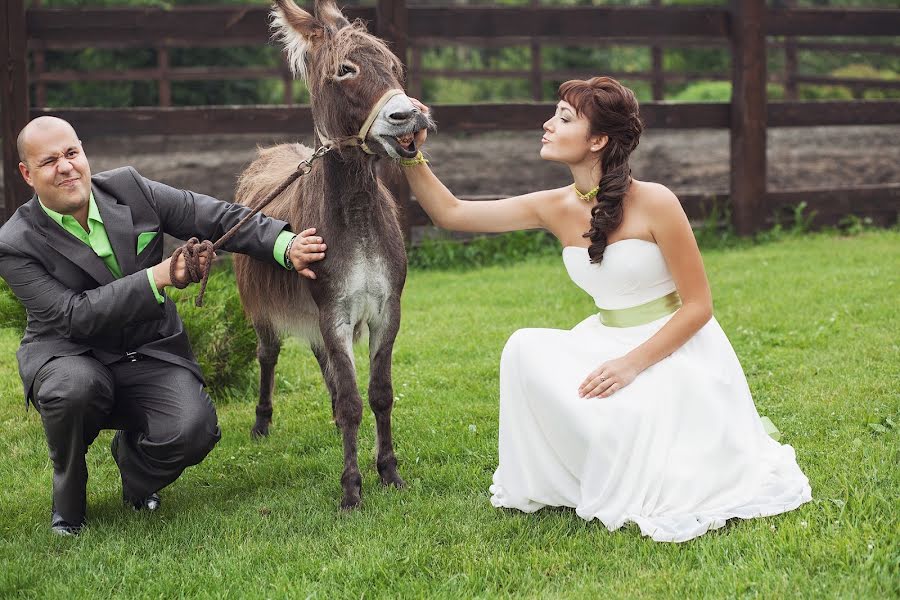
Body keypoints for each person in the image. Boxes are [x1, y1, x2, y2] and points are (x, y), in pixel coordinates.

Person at [400, 77, 812, 542]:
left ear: (598, 140)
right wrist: (411, 152)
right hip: (603, 338)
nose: (548, 124)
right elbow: (451, 213)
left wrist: (631, 364)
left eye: (564, 118)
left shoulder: (656, 202)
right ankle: (577, 462)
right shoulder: (552, 206)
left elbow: (699, 306)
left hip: (672, 349)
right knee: (523, 348)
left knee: (653, 464)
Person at [0, 116, 327, 535]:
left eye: (71, 153)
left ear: (83, 152)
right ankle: (69, 500)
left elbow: (212, 215)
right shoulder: (15, 243)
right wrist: (159, 276)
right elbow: (72, 317)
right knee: (74, 388)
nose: (66, 167)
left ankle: (134, 467)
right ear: (27, 173)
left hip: (146, 350)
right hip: (69, 353)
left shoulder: (129, 188)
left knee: (195, 430)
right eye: (49, 161)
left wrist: (286, 246)